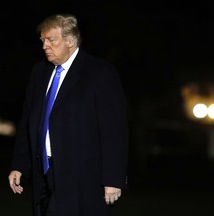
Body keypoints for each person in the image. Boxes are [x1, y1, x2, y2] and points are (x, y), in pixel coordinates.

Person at [8, 13, 129, 216]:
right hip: (43, 173)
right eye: (42, 40)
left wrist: (113, 178)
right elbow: (28, 121)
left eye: (51, 40)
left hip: (82, 175)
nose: (44, 45)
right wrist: (19, 165)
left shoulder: (99, 73)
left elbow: (114, 129)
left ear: (70, 41)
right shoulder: (39, 72)